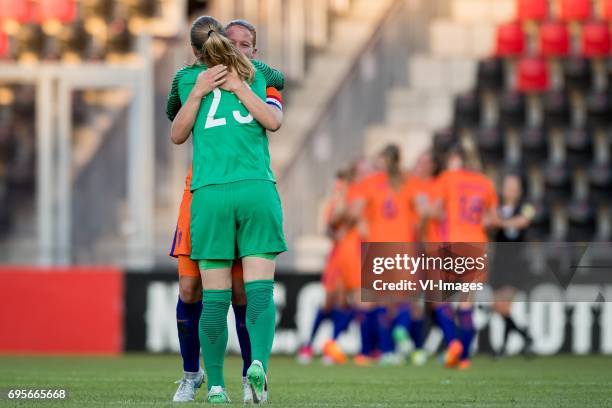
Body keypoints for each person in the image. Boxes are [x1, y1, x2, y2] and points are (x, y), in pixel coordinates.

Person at [166, 18, 284, 403]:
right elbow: (178, 127)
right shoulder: (253, 74)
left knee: (228, 294)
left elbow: (175, 130)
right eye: (229, 42)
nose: (235, 48)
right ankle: (222, 374)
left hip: (213, 194)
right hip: (232, 190)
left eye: (245, 44)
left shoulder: (188, 76)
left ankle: (223, 383)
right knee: (223, 289)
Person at [428, 144, 500, 370]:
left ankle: (453, 345)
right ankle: (465, 359)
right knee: (467, 304)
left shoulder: (447, 178)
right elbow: (492, 221)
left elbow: (437, 211)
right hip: (477, 244)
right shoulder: (486, 183)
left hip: (452, 242)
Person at [492, 173, 534, 357]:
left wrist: (500, 222)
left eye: (514, 186)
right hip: (499, 263)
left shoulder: (527, 208)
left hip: (516, 263)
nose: (511, 190)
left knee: (503, 306)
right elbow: (487, 223)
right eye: (508, 186)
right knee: (499, 307)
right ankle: (524, 337)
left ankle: (505, 346)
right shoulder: (496, 207)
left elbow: (523, 221)